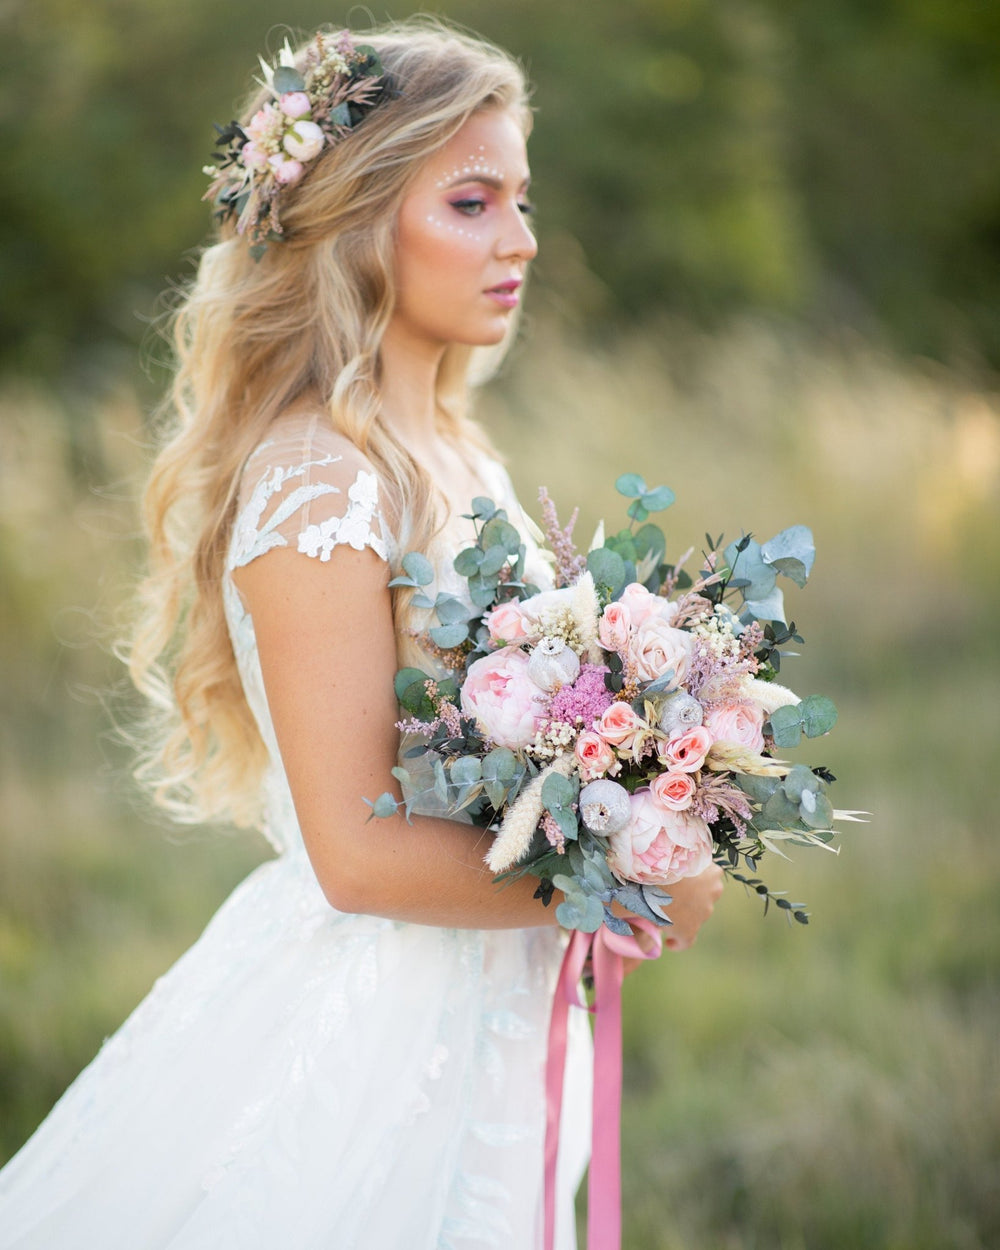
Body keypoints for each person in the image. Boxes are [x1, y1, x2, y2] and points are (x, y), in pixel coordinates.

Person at [0, 17, 723, 1249]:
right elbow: (357, 854)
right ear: (359, 219)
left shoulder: (454, 451)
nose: (523, 239)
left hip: (487, 1000)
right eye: (473, 202)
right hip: (378, 1019)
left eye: (521, 199)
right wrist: (618, 881)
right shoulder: (317, 486)